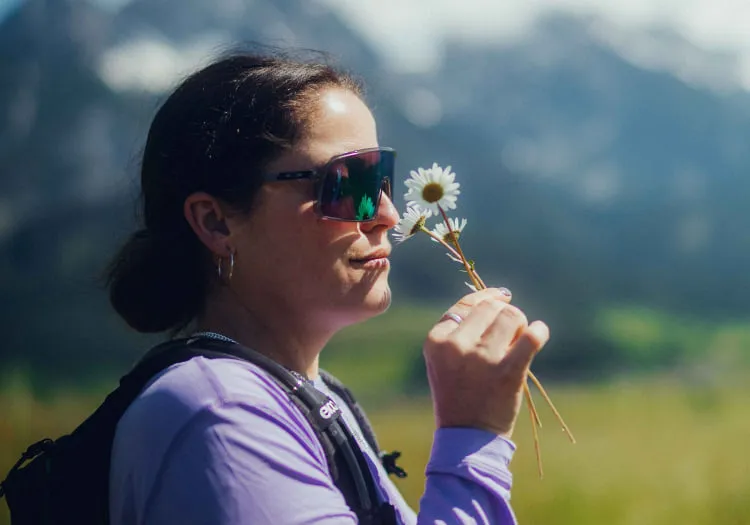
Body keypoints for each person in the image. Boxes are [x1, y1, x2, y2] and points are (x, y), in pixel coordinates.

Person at [106, 51, 550, 525]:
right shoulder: (222, 415)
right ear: (216, 222)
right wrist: (471, 438)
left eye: (381, 178)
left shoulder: (297, 398)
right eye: (347, 183)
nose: (388, 215)